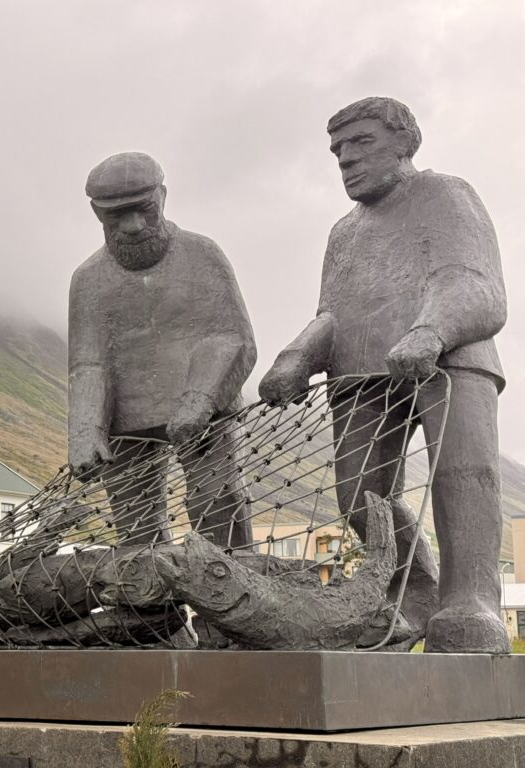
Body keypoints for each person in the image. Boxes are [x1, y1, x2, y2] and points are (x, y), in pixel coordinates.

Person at [259, 96, 509, 653]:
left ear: (404, 144)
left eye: (361, 142)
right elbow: (332, 315)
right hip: (361, 376)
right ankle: (412, 592)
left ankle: (471, 604)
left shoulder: (446, 195)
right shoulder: (343, 233)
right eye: (337, 150)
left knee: (463, 477)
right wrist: (296, 357)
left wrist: (431, 330)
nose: (346, 158)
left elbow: (475, 283)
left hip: (449, 360)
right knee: (361, 498)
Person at [69, 151, 257, 548]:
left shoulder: (202, 254)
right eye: (116, 215)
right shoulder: (88, 280)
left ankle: (234, 585)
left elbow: (234, 338)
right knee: (137, 532)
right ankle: (154, 593)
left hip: (203, 413)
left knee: (215, 502)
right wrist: (86, 429)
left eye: (144, 209)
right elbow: (88, 363)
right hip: (126, 426)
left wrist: (200, 400)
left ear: (163, 197)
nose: (133, 226)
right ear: (97, 213)